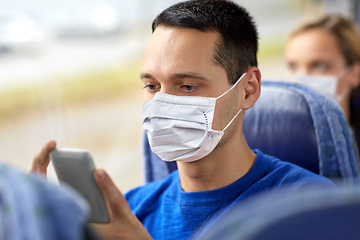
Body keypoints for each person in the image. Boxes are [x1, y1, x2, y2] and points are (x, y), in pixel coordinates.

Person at [31, 1, 336, 239]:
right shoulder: (127, 211)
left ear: (248, 89)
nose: (162, 103)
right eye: (152, 86)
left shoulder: (312, 208)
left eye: (187, 86)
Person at [284, 14, 360, 151]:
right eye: (293, 66)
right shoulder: (275, 141)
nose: (300, 79)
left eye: (319, 66)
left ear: (355, 74)